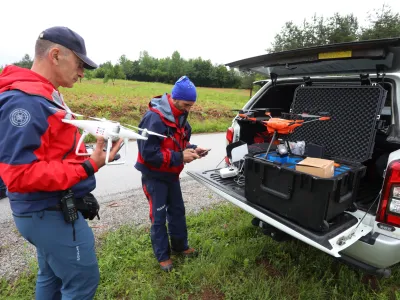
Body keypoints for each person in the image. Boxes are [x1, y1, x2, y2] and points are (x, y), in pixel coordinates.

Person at [0, 26, 123, 300]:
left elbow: (48, 153)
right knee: (82, 281)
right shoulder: (25, 102)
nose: (82, 73)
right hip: (47, 211)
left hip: (45, 209)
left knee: (51, 277)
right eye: (80, 64)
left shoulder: (43, 94)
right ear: (56, 55)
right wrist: (88, 166)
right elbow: (18, 175)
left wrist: (91, 154)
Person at [135, 76, 209, 272]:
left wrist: (193, 149)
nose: (189, 109)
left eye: (191, 105)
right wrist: (179, 157)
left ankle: (180, 246)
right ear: (175, 99)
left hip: (172, 175)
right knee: (158, 217)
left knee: (177, 211)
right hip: (154, 176)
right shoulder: (154, 118)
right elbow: (148, 154)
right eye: (186, 104)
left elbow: (180, 144)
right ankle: (163, 256)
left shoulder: (182, 117)